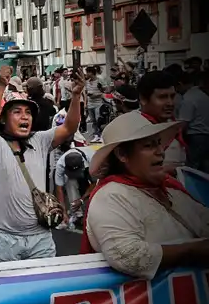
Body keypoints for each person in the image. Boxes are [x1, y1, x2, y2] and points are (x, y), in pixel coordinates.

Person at [82, 113, 209, 279]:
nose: (160, 152)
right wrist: (193, 250)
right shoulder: (111, 196)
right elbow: (128, 256)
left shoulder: (169, 188)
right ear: (122, 155)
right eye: (149, 146)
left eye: (159, 144)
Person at [0, 66, 84, 263]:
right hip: (2, 240)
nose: (25, 116)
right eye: (17, 112)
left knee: (43, 293)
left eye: (28, 112)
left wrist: (76, 96)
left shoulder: (40, 140)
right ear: (3, 118)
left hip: (40, 239)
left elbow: (70, 126)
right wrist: (1, 86)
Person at [136, 70, 186, 174]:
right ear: (143, 99)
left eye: (172, 96)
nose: (170, 103)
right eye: (162, 97)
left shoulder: (173, 123)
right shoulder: (133, 129)